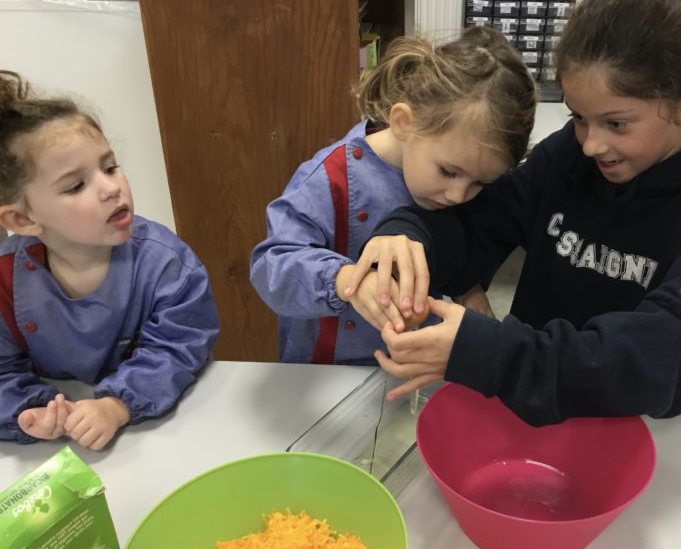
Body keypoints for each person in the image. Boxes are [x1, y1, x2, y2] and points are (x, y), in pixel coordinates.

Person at [345, 0, 681, 424]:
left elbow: (673, 350)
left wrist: (495, 354)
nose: (591, 144)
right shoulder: (571, 153)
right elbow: (483, 219)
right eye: (578, 117)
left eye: (617, 124)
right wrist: (410, 235)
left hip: (639, 423)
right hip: (535, 405)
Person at [250, 26, 536, 365]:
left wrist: (466, 286)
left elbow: (458, 245)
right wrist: (344, 279)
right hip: (326, 372)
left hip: (410, 366)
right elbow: (270, 266)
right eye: (448, 172)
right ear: (403, 122)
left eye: (480, 183)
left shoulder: (454, 179)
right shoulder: (330, 178)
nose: (459, 195)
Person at [0, 71, 220, 449]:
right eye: (76, 185)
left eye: (110, 167)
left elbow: (177, 348)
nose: (111, 188)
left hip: (162, 427)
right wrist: (31, 411)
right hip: (65, 443)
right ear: (22, 220)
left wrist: (116, 404)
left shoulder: (167, 265)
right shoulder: (4, 279)